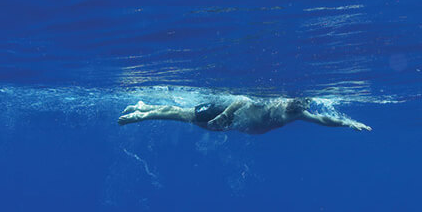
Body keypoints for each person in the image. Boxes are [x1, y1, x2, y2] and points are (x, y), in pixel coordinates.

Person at [117, 94, 371, 134]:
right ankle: (142, 114)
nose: (300, 107)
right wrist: (226, 115)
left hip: (233, 123)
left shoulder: (297, 113)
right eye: (298, 103)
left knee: (186, 116)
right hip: (224, 112)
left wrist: (350, 123)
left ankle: (143, 107)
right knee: (184, 114)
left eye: (302, 105)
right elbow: (242, 99)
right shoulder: (274, 102)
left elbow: (324, 119)